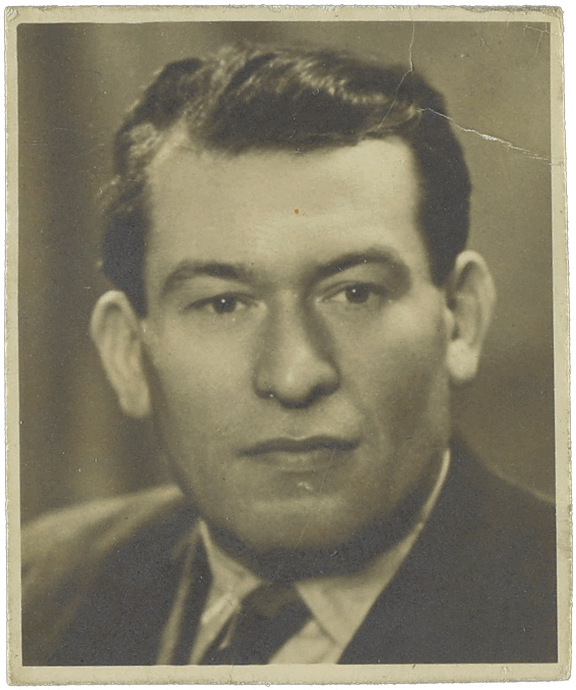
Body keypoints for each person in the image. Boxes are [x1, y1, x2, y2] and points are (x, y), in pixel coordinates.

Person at [21, 41, 557, 666]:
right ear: (127, 355)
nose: (294, 374)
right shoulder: (36, 587)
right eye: (223, 304)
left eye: (354, 293)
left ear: (460, 320)